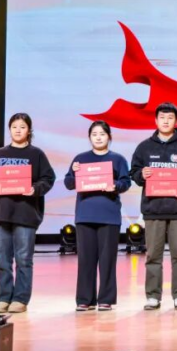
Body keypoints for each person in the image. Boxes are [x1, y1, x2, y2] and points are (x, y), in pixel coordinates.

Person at [0, 113, 56, 314]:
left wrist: (35, 189)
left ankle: (20, 299)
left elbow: (48, 179)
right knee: (2, 259)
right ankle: (4, 297)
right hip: (0, 213)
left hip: (26, 214)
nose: (18, 130)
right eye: (14, 127)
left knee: (23, 259)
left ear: (29, 130)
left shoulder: (37, 154)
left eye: (22, 127)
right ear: (10, 130)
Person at [130, 102, 177, 311]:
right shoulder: (144, 147)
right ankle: (153, 296)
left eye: (170, 118)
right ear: (156, 120)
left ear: (176, 121)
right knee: (153, 255)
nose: (166, 121)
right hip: (153, 210)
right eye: (162, 117)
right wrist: (141, 174)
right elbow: (134, 172)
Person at [63, 120, 132, 312]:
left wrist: (115, 186)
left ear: (109, 137)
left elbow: (126, 182)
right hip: (85, 215)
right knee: (86, 260)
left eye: (102, 134)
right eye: (94, 134)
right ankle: (85, 299)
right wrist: (74, 173)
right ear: (89, 137)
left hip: (109, 216)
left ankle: (106, 299)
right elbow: (68, 183)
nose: (98, 137)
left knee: (107, 260)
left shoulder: (118, 159)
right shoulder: (80, 159)